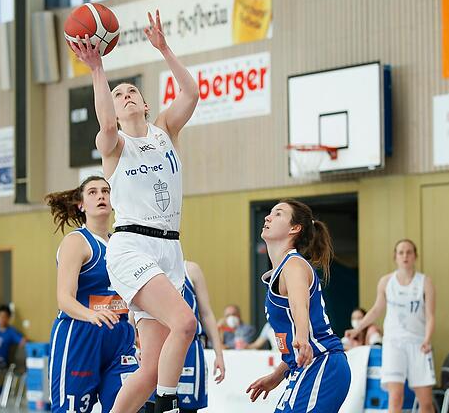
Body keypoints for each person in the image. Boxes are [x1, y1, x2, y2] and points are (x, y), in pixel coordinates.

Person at [69, 9, 200, 413]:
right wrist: (97, 69)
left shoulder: (165, 130)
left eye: (130, 93)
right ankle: (167, 405)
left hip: (169, 250)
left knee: (148, 368)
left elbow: (191, 94)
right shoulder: (115, 146)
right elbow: (106, 125)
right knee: (186, 324)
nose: (123, 98)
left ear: (144, 103)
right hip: (132, 247)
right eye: (117, 96)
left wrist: (164, 49)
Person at [44, 176, 140, 413]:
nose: (101, 196)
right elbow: (64, 298)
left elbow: (132, 294)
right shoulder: (76, 242)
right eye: (93, 192)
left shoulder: (122, 243)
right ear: (81, 204)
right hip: (80, 333)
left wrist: (138, 327)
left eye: (106, 191)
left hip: (119, 337)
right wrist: (91, 315)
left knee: (128, 407)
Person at [246, 200, 351, 412]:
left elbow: (299, 304)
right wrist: (277, 375)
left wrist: (301, 337)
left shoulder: (293, 264)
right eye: (270, 213)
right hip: (304, 367)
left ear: (295, 228)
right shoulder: (279, 271)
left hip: (323, 363)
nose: (267, 217)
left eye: (278, 214)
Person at [345, 239, 436, 413]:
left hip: (418, 343)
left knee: (425, 401)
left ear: (415, 256)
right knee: (395, 397)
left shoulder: (425, 283)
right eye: (401, 252)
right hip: (394, 344)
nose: (405, 256)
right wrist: (357, 328)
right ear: (395, 256)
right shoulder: (386, 282)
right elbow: (376, 309)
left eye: (409, 252)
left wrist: (427, 338)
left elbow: (431, 316)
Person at [145, 261, 227, 413]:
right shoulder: (146, 267)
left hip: (189, 348)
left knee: (186, 408)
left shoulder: (191, 269)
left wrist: (219, 354)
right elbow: (134, 311)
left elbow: (206, 313)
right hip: (158, 345)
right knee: (152, 405)